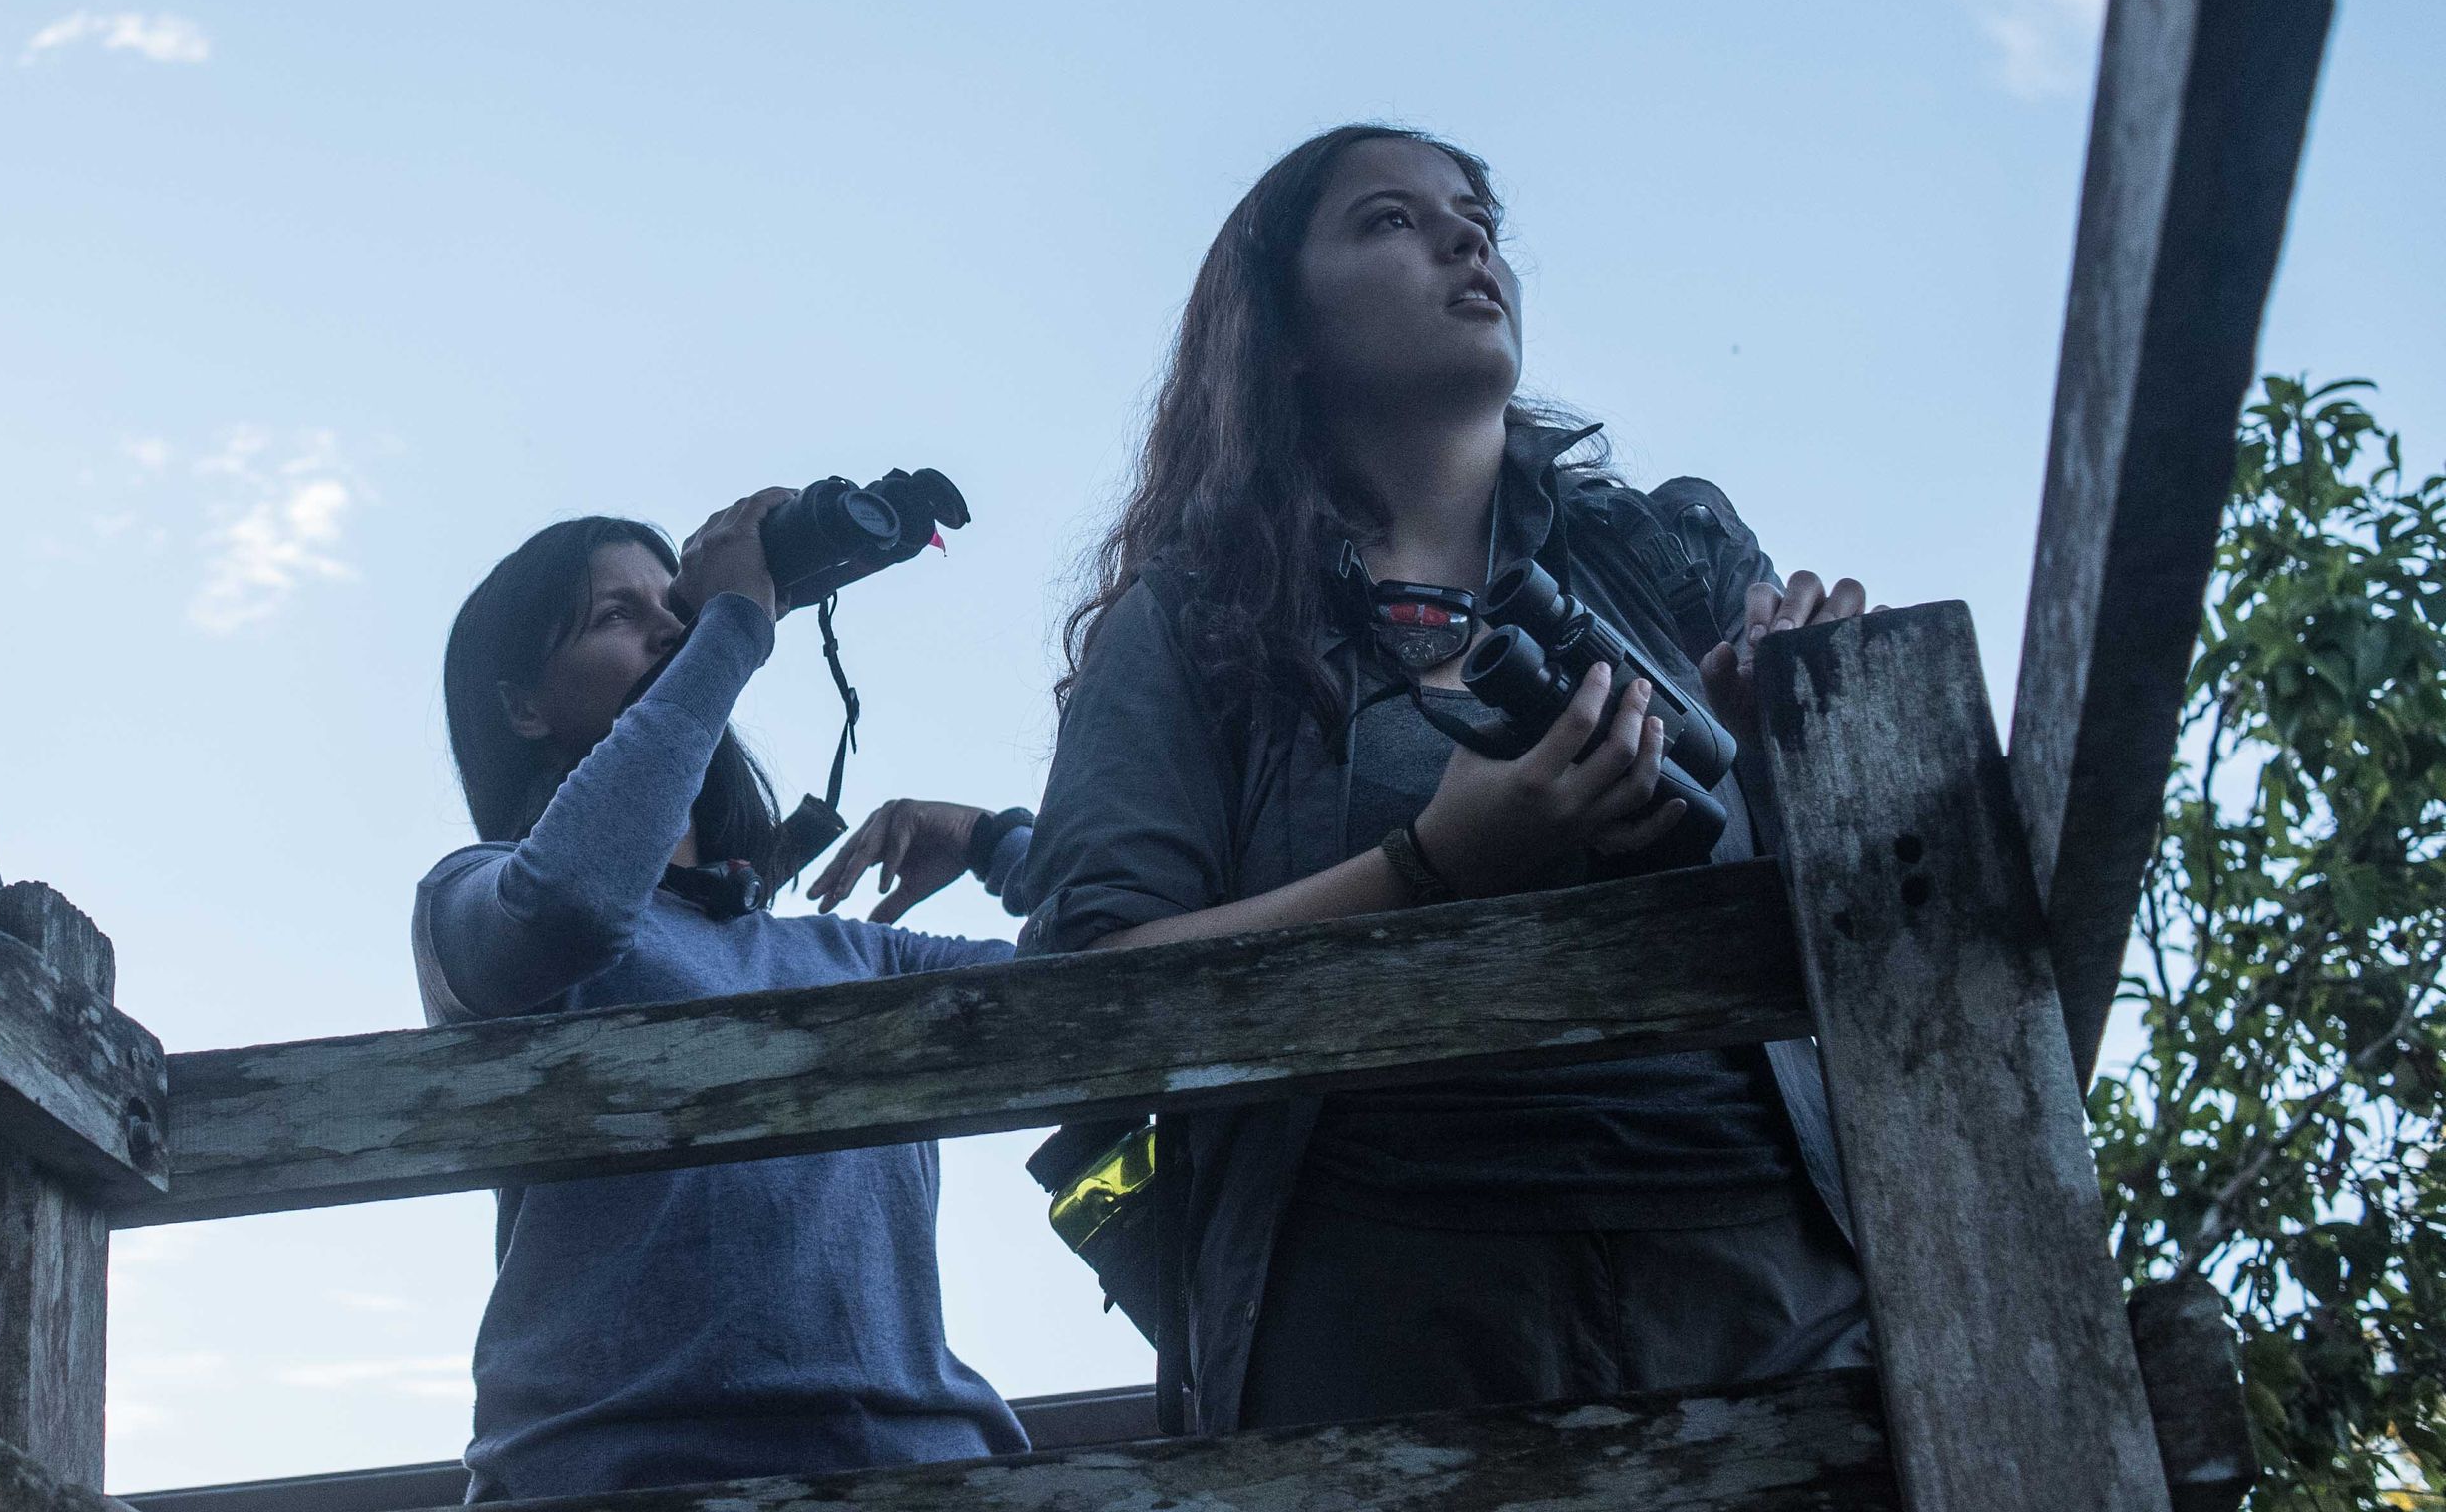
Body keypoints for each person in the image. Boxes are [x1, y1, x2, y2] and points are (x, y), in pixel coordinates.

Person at [1012, 123, 1877, 1435]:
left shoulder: (1671, 560)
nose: (1468, 239)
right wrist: (1433, 867)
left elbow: (1886, 912)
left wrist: (1800, 742)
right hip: (1392, 1328)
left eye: (1474, 214)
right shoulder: (1192, 626)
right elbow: (1081, 1007)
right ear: (1282, 332)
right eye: (1390, 221)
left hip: (1766, 1286)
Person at [423, 500, 1039, 1500]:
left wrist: (994, 841)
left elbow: (1109, 980)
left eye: (678, 606)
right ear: (524, 705)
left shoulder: (854, 955)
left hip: (924, 1476)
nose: (669, 627)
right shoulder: (473, 899)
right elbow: (573, 901)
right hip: (621, 1482)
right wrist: (736, 626)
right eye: (615, 618)